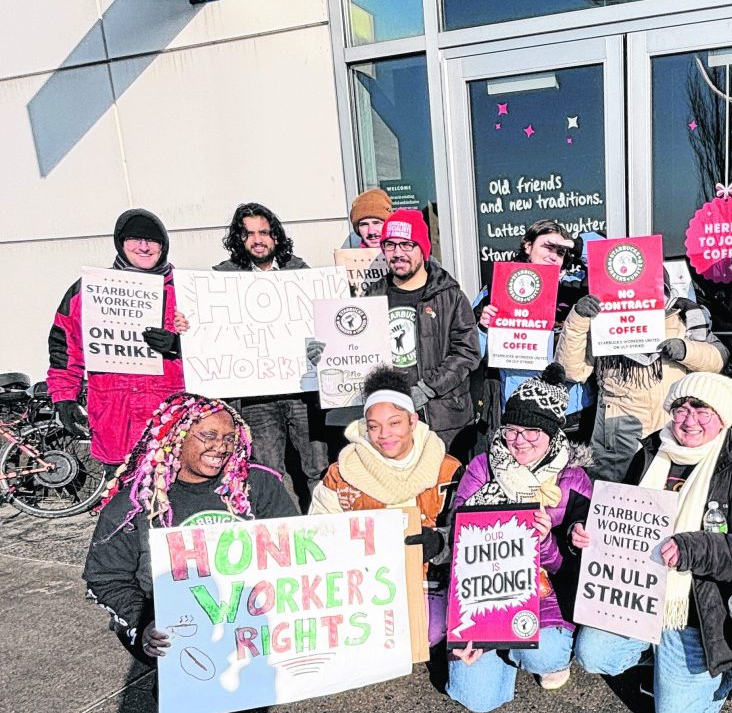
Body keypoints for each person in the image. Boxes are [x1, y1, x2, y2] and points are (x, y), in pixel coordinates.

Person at [572, 373, 732, 713]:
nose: (689, 420)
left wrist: (695, 548)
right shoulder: (650, 454)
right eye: (680, 409)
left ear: (724, 418)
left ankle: (730, 670)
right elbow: (621, 516)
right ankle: (654, 653)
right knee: (593, 654)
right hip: (637, 598)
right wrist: (587, 531)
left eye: (702, 410)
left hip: (700, 615)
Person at [83, 393, 298, 666]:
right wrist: (143, 622)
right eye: (208, 435)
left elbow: (293, 549)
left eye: (230, 438)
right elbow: (105, 578)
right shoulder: (136, 503)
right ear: (177, 436)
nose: (221, 447)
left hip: (251, 622)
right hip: (173, 630)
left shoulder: (258, 485)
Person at [446, 365, 593, 713]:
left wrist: (544, 542)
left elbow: (571, 568)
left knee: (547, 653)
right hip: (482, 588)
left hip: (543, 588)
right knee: (476, 697)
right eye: (512, 431)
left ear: (553, 434)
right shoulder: (483, 466)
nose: (520, 441)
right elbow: (458, 533)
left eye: (532, 432)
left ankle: (524, 650)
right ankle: (500, 646)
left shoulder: (572, 479)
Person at [177, 202, 327, 503]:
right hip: (256, 396)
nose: (258, 240)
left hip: (302, 391)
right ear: (239, 239)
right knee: (268, 470)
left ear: (276, 237)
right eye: (249, 234)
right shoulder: (221, 279)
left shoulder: (301, 273)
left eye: (264, 232)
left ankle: (325, 524)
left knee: (317, 467)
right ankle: (285, 526)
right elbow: (207, 328)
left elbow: (324, 322)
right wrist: (187, 323)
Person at [309, 365, 462, 647]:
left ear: (412, 421)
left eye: (395, 423)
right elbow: (318, 528)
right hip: (365, 582)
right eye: (374, 426)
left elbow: (467, 537)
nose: (384, 434)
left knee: (425, 633)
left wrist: (439, 544)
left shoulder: (447, 469)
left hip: (427, 579)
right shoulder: (342, 472)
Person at [556, 270, 727, 481]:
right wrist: (578, 318)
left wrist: (687, 350)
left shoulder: (682, 316)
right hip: (616, 436)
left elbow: (718, 360)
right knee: (610, 500)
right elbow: (572, 370)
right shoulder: (603, 319)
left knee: (660, 498)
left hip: (668, 430)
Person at [47, 209, 185, 471]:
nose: (143, 246)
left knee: (179, 507)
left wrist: (179, 347)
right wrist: (65, 398)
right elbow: (65, 349)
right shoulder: (88, 290)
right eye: (134, 239)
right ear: (121, 243)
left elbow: (217, 347)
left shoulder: (187, 290)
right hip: (115, 425)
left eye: (152, 240)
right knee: (122, 508)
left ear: (163, 245)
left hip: (174, 427)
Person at [363, 210, 481, 461]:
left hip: (444, 418)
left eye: (407, 244)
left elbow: (467, 352)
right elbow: (357, 348)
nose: (397, 253)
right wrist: (327, 350)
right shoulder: (372, 297)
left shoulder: (449, 296)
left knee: (446, 490)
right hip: (391, 420)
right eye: (390, 245)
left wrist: (427, 389)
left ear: (423, 248)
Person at [474, 219, 596, 443]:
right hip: (520, 406)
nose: (553, 256)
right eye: (548, 247)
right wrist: (483, 328)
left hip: (570, 410)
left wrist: (577, 246)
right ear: (527, 246)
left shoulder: (573, 287)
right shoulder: (498, 289)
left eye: (560, 252)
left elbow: (606, 256)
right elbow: (472, 353)